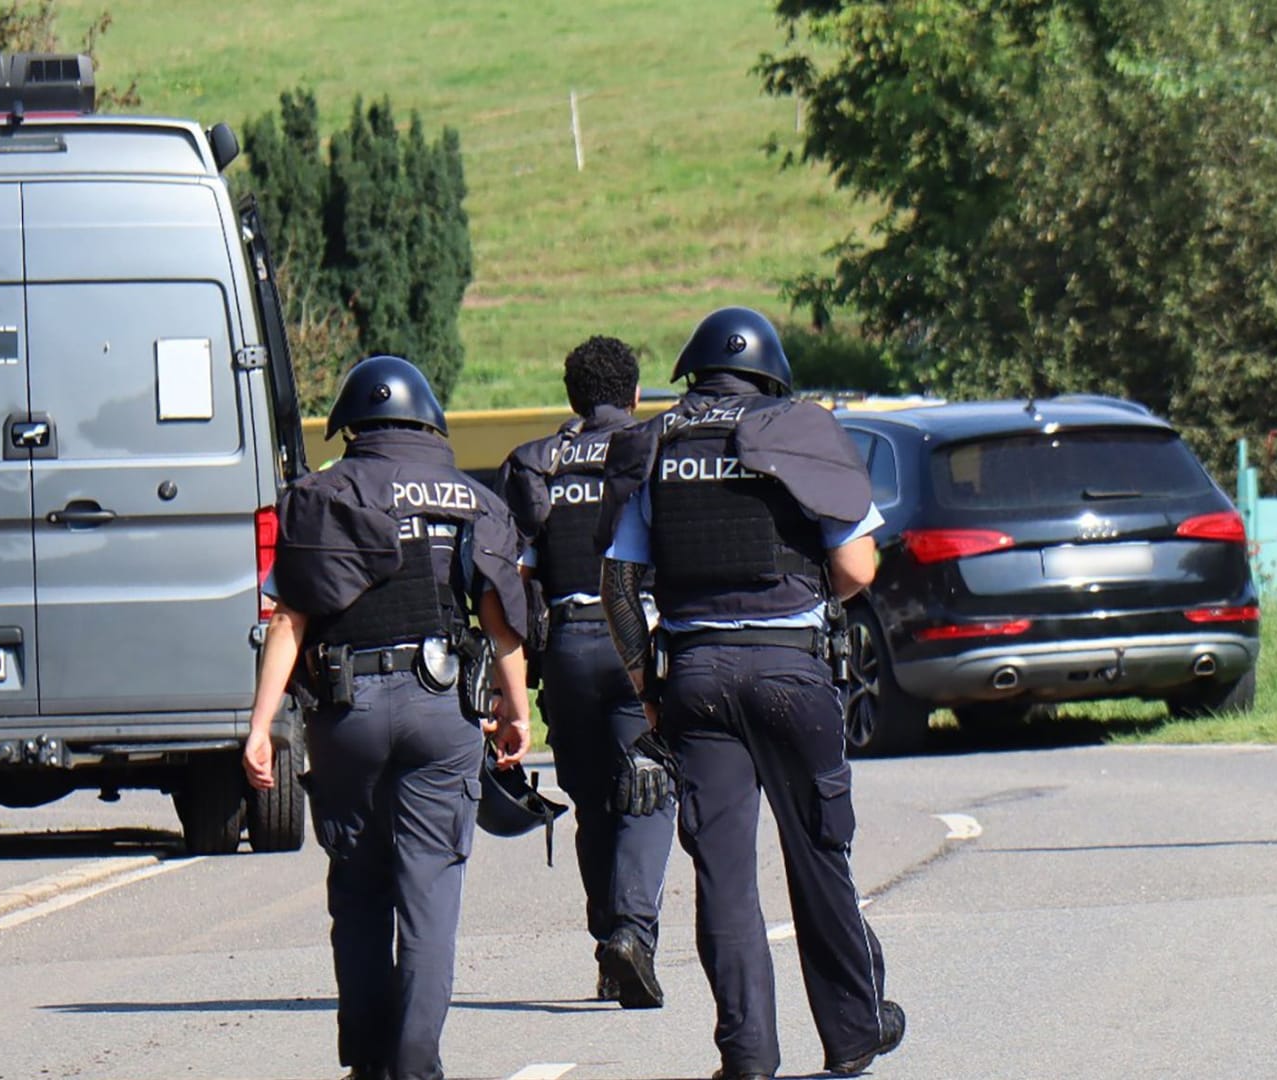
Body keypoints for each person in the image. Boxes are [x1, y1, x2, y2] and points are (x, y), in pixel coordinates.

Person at [594, 307, 906, 1080]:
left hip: (696, 678)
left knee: (724, 875)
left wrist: (650, 687)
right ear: (771, 374)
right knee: (819, 854)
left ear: (695, 373)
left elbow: (619, 585)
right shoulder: (802, 429)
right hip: (792, 671)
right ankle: (854, 1033)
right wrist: (811, 593)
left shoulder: (659, 443)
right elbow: (861, 568)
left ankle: (748, 1056)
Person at [245, 354, 532, 1080]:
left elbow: (288, 622)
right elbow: (501, 624)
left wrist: (261, 725)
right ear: (427, 422)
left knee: (361, 889)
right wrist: (515, 710)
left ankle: (370, 1063)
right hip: (442, 711)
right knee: (430, 894)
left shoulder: (319, 497)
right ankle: (414, 1064)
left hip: (351, 715)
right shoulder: (473, 499)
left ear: (352, 427)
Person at [494, 335, 676, 1009]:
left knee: (596, 803)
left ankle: (609, 948)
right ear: (634, 394)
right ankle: (631, 933)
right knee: (650, 789)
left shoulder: (534, 463)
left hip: (566, 649)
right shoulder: (655, 447)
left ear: (572, 397)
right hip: (639, 643)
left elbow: (512, 580)